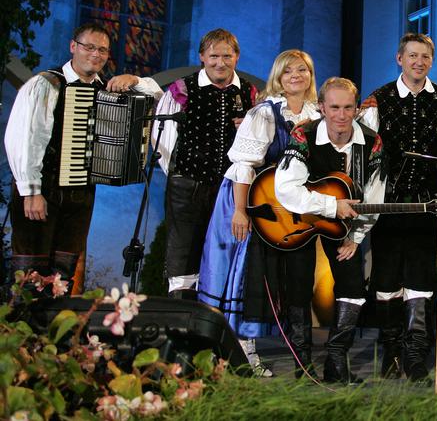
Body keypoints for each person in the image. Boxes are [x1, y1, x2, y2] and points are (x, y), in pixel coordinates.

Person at [5, 22, 162, 294]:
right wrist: (31, 190)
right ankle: (25, 334)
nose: (96, 54)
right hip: (42, 188)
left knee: (62, 276)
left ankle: (57, 333)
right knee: (30, 275)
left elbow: (161, 98)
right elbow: (25, 138)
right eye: (89, 47)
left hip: (81, 192)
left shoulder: (108, 89)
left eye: (102, 50)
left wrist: (136, 80)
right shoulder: (46, 83)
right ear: (73, 47)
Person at [197, 50, 320, 377]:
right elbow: (243, 166)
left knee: (283, 279)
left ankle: (296, 357)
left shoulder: (316, 114)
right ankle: (243, 355)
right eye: (288, 70)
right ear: (278, 77)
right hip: (248, 197)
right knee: (246, 275)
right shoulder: (264, 114)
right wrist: (240, 211)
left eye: (303, 70)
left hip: (286, 209)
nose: (296, 75)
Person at [274, 77, 386, 383]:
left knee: (352, 289)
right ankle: (302, 365)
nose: (341, 114)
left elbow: (374, 198)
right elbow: (285, 189)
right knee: (298, 286)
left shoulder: (372, 143)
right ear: (322, 107)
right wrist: (330, 206)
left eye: (348, 107)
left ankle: (337, 362)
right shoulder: (304, 134)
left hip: (345, 227)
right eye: (334, 107)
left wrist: (357, 237)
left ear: (356, 109)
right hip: (299, 220)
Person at [359, 33, 437, 382]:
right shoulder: (378, 99)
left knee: (421, 277)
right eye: (412, 55)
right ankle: (391, 352)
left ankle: (416, 355)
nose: (419, 62)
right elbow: (366, 156)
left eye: (425, 56)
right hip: (388, 202)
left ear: (431, 60)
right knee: (386, 277)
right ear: (399, 58)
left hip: (426, 203)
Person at [153, 28, 257, 299]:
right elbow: (161, 139)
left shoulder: (249, 93)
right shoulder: (182, 89)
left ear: (236, 57)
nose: (220, 62)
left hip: (229, 190)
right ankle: (181, 324)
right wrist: (179, 175)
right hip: (187, 186)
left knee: (224, 254)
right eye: (213, 56)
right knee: (183, 254)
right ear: (202, 57)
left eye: (226, 55)